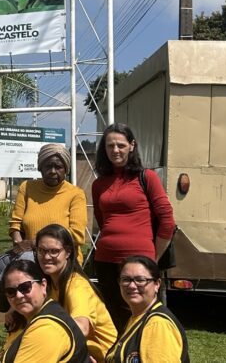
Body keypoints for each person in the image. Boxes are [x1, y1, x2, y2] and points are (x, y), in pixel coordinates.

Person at [92, 123, 175, 331]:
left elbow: (167, 220)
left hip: (140, 262)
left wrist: (152, 260)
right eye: (110, 146)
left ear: (132, 146)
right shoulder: (99, 184)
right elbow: (101, 221)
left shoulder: (146, 177)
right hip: (105, 261)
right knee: (112, 319)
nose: (115, 150)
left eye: (120, 145)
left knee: (143, 318)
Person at [35, 224, 117, 362]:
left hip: (103, 357)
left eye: (54, 251)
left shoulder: (77, 286)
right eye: (41, 251)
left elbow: (82, 327)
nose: (46, 257)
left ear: (68, 252)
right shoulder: (50, 284)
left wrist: (44, 332)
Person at [0, 259, 89, 363]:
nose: (18, 295)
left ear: (43, 285)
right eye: (10, 291)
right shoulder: (24, 320)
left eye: (25, 287)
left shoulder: (47, 329)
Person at [9, 143, 87, 261]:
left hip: (64, 263)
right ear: (40, 167)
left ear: (66, 169)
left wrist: (35, 243)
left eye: (59, 167)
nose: (53, 171)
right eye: (48, 166)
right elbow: (16, 223)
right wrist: (18, 242)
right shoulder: (27, 188)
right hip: (30, 259)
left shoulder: (75, 194)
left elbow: (77, 235)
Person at [105, 256, 189, 363]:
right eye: (126, 280)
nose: (131, 285)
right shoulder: (137, 317)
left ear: (157, 284)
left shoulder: (158, 325)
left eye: (140, 280)